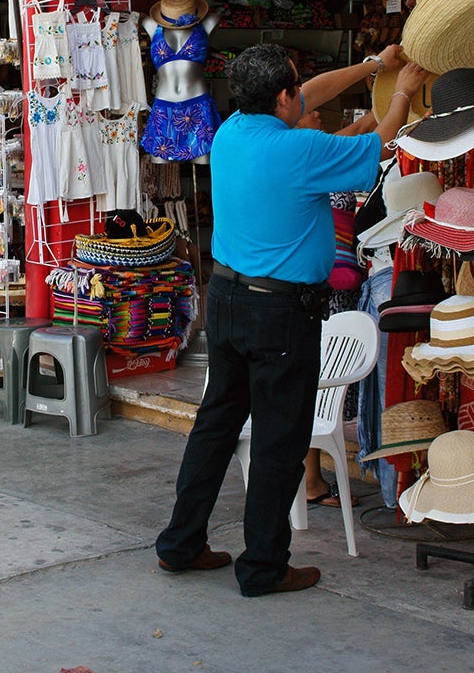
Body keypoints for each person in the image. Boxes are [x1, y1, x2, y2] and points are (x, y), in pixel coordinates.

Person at [155, 43, 428, 596]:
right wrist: (402, 89)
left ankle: (180, 544)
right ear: (283, 97)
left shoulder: (231, 130)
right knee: (280, 441)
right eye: (296, 88)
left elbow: (314, 89)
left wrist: (374, 66)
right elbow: (381, 141)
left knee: (216, 426)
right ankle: (263, 566)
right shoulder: (299, 150)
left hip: (228, 301)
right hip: (277, 313)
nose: (306, 94)